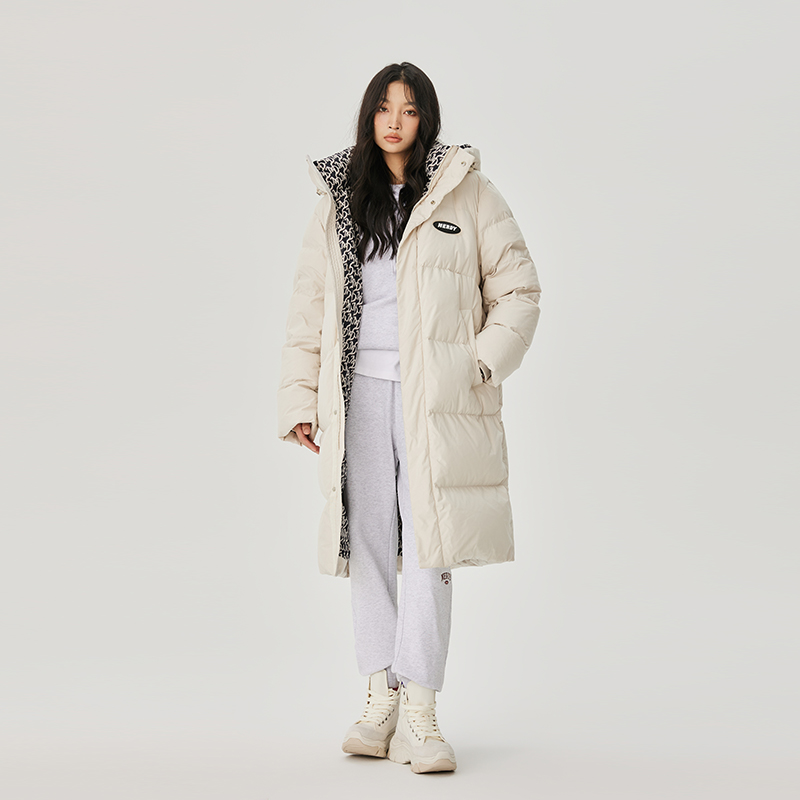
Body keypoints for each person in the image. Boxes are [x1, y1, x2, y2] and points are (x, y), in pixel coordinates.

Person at [277, 62, 542, 774]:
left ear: (427, 119)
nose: (395, 121)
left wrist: (478, 364)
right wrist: (299, 399)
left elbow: (519, 289)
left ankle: (420, 708)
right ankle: (379, 696)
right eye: (384, 108)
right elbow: (309, 306)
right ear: (369, 116)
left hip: (436, 399)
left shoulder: (466, 191)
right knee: (367, 541)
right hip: (358, 393)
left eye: (411, 109)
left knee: (430, 543)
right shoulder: (339, 199)